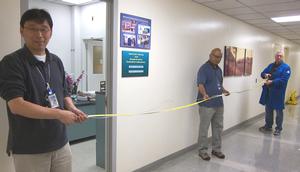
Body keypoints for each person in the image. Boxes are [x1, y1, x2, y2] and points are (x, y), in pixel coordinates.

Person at [0, 9, 87, 172]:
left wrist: (73, 109)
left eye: (44, 29)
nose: (39, 34)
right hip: (30, 148)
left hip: (61, 143)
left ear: (51, 32)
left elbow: (64, 92)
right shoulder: (11, 62)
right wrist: (60, 114)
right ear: (21, 30)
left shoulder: (56, 61)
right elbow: (16, 105)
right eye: (32, 28)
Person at [196, 48, 230, 161]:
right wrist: (204, 94)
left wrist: (224, 90)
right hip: (207, 104)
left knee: (218, 127)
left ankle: (216, 149)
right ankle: (202, 151)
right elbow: (200, 84)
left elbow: (219, 85)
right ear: (210, 55)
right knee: (204, 128)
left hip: (219, 103)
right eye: (215, 56)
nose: (218, 59)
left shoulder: (219, 70)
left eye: (220, 57)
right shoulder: (204, 69)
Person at [259, 51, 291, 136]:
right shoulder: (271, 65)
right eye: (277, 56)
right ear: (275, 57)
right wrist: (265, 74)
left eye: (280, 56)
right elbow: (262, 73)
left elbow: (284, 80)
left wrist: (272, 82)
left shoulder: (286, 67)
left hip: (278, 93)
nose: (279, 57)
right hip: (268, 92)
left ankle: (278, 129)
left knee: (279, 111)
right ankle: (268, 126)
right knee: (268, 110)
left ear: (282, 57)